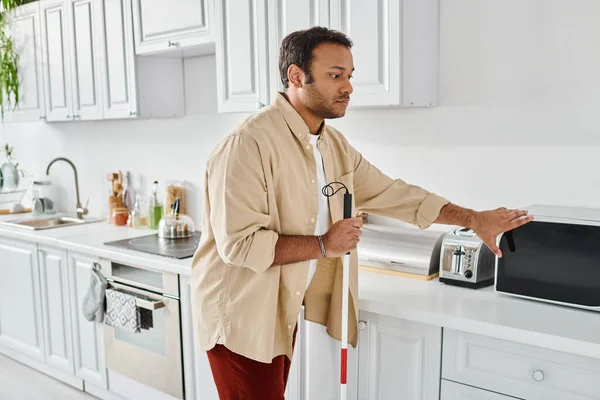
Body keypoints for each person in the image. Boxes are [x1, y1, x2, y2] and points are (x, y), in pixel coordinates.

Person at [190, 26, 533, 399]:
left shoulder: (332, 145)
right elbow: (240, 247)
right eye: (335, 75)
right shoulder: (247, 144)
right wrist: (324, 244)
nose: (348, 87)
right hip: (240, 310)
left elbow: (394, 194)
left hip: (277, 306)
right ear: (296, 76)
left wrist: (474, 218)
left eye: (349, 76)